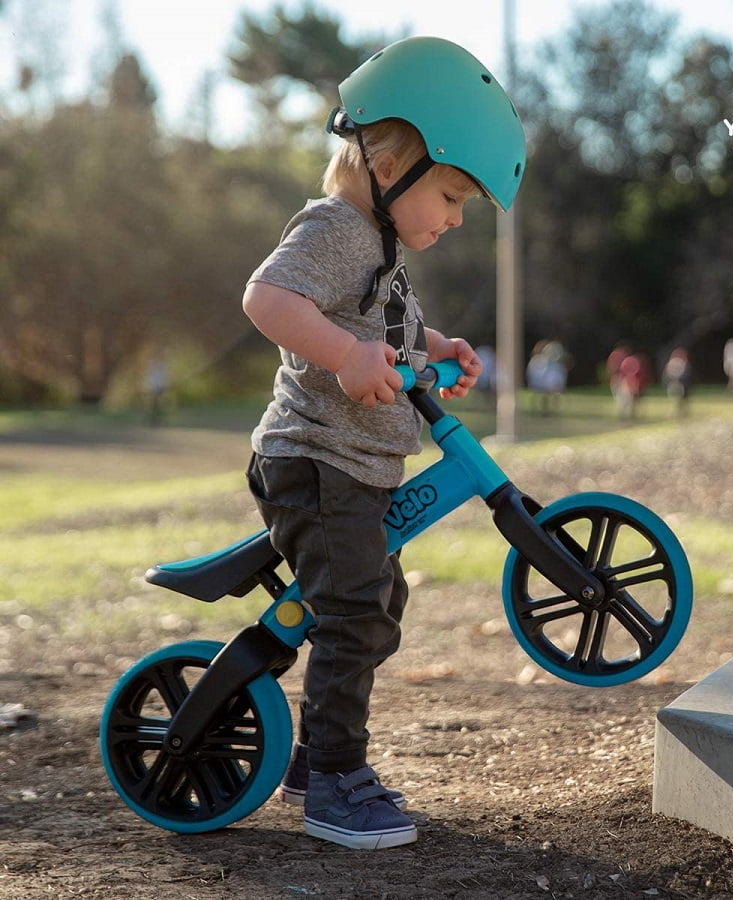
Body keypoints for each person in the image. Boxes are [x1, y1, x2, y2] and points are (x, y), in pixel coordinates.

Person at [241, 37, 526, 851]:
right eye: (451, 195)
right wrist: (344, 357)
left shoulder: (380, 244)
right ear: (391, 159)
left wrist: (434, 346)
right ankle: (334, 780)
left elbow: (375, 325)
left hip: (354, 466)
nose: (455, 218)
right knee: (355, 610)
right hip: (316, 459)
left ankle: (308, 761)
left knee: (374, 608)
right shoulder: (336, 226)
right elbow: (267, 299)